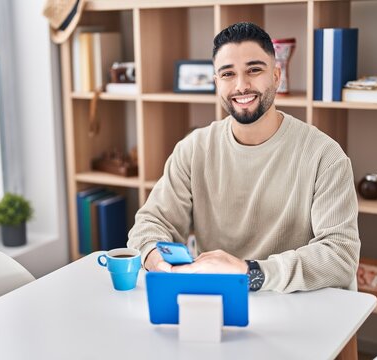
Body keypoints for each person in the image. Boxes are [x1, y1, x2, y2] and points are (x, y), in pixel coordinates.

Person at [127, 22, 360, 293]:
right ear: (216, 83)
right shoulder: (193, 149)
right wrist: (158, 261)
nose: (241, 85)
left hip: (300, 307)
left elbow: (341, 256)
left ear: (276, 75)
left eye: (254, 70)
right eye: (228, 74)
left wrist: (250, 272)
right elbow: (148, 225)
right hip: (219, 305)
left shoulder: (325, 156)